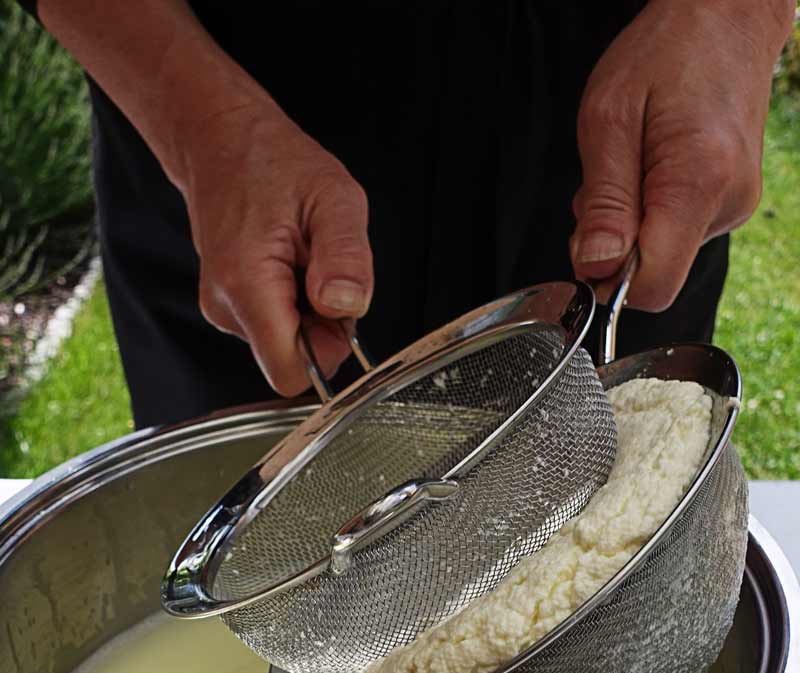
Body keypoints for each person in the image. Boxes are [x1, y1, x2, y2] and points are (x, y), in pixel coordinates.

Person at [19, 1, 795, 428]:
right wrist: (200, 124)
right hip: (232, 124)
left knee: (612, 551)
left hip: (612, 112)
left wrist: (737, 14)